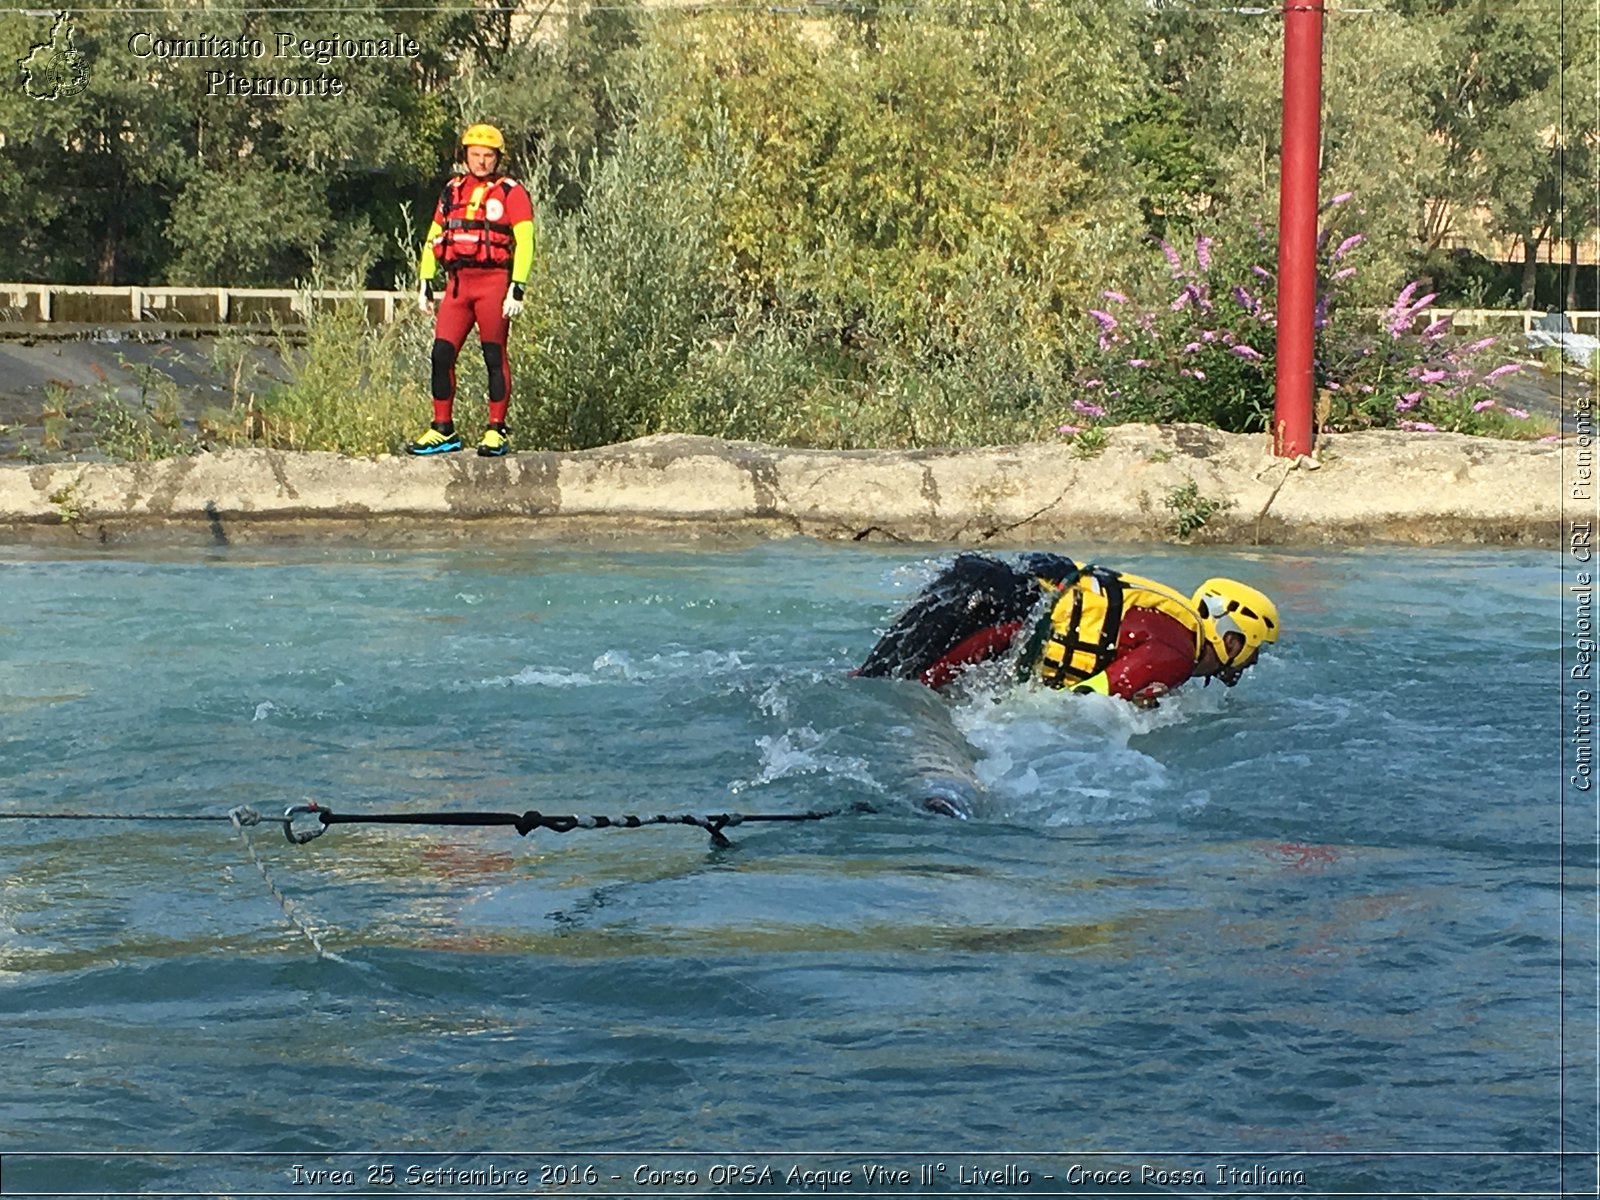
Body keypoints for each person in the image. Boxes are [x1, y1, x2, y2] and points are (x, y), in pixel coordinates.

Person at [856, 552, 1279, 708]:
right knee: (892, 695)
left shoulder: (1172, 619)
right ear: (1233, 637)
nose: (1249, 663)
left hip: (989, 584)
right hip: (997, 618)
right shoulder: (1176, 653)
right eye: (1253, 651)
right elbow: (1083, 704)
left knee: (872, 680)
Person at [407, 123, 535, 458]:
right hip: (458, 286)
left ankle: (496, 429)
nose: (481, 161)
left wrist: (517, 288)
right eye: (475, 154)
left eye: (487, 156)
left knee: (494, 355)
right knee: (441, 354)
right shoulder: (452, 191)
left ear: (497, 158)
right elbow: (434, 237)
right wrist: (425, 282)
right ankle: (442, 429)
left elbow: (525, 241)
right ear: (465, 155)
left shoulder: (511, 192)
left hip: (493, 284)